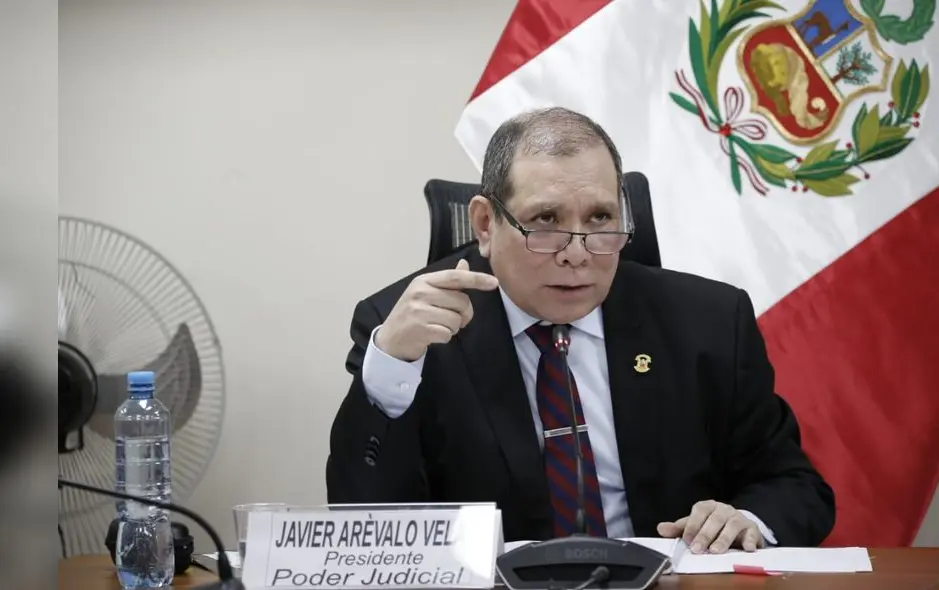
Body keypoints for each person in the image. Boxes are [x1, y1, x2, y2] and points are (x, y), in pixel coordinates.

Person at [326, 107, 835, 553]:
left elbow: (794, 486)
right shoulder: (409, 330)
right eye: (545, 219)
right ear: (485, 224)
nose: (577, 252)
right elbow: (364, 524)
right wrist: (389, 369)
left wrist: (743, 520)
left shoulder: (708, 321)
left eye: (599, 218)